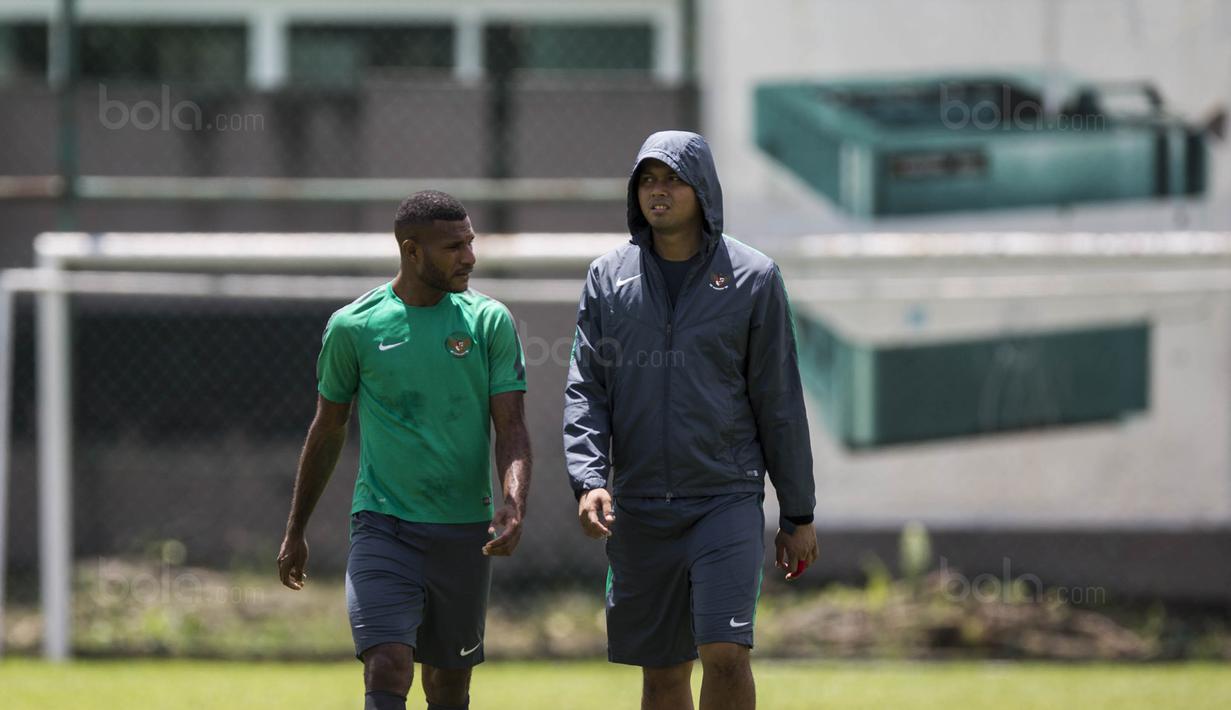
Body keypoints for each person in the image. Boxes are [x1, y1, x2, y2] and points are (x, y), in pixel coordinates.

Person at [563, 131, 819, 710]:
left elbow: (779, 400)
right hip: (640, 505)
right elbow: (586, 389)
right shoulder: (608, 277)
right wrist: (589, 479)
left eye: (673, 180)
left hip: (724, 498)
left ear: (702, 188)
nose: (659, 191)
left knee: (725, 653)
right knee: (662, 672)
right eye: (648, 181)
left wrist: (798, 512)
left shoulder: (754, 277)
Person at [278, 190, 532, 710]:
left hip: (465, 531)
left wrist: (513, 501)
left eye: (470, 243)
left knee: (448, 686)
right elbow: (328, 428)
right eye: (453, 247)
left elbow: (511, 426)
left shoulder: (489, 321)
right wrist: (296, 528)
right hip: (384, 526)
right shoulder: (353, 327)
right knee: (388, 663)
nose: (469, 257)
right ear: (411, 251)